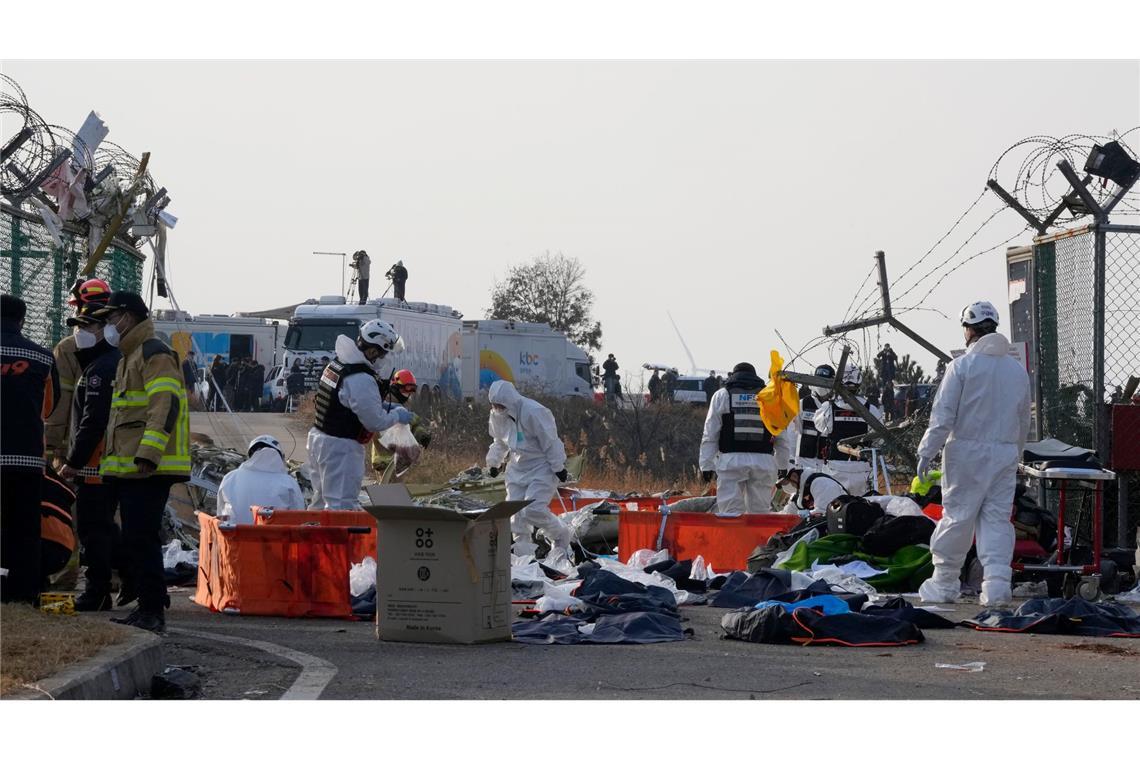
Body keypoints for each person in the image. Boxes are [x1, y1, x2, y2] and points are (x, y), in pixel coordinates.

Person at [916, 301, 1030, 607]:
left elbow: (943, 417)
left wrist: (926, 451)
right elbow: (1023, 421)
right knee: (996, 520)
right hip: (1005, 454)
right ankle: (996, 586)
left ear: (969, 329)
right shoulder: (1017, 371)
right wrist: (1014, 455)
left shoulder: (962, 367)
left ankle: (944, 583)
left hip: (966, 452)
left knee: (958, 516)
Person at [90, 291, 191, 633]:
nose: (107, 326)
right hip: (132, 468)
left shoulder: (153, 352)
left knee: (141, 537)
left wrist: (148, 453)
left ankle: (151, 610)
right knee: (136, 537)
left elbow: (165, 405)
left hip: (149, 467)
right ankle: (149, 604)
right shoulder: (128, 356)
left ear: (128, 317)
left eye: (110, 318)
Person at [57, 307, 130, 611]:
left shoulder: (101, 368)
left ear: (103, 329)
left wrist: (72, 461)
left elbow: (93, 422)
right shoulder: (100, 364)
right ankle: (131, 573)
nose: (80, 332)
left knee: (93, 528)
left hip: (95, 465)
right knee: (104, 528)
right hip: (100, 463)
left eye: (87, 325)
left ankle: (98, 590)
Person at [306, 319, 413, 509]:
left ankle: (313, 534)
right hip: (340, 448)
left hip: (320, 437)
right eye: (383, 353)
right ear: (372, 351)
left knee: (321, 500)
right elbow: (374, 422)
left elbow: (347, 403)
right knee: (341, 505)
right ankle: (336, 539)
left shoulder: (338, 364)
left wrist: (387, 408)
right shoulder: (361, 378)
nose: (385, 358)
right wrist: (397, 415)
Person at [1, 294, 59, 604]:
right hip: (26, 460)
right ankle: (23, 594)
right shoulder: (41, 357)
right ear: (22, 320)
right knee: (24, 530)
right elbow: (49, 408)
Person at [486, 380, 571, 558]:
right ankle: (524, 559)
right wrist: (493, 463)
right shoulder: (497, 416)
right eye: (494, 405)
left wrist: (558, 467)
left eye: (500, 405)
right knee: (515, 516)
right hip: (517, 468)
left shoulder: (534, 412)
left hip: (542, 466)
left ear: (509, 401)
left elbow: (550, 441)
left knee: (533, 510)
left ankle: (560, 535)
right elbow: (499, 442)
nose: (497, 408)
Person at [699, 362, 794, 514]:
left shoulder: (722, 395)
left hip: (731, 462)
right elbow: (781, 434)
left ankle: (733, 537)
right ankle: (758, 538)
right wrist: (783, 465)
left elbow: (710, 433)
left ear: (733, 375)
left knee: (730, 513)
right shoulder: (770, 397)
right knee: (760, 513)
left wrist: (706, 465)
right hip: (764, 462)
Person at [45, 278, 111, 461]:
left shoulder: (68, 348)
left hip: (73, 449)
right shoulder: (122, 346)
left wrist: (50, 445)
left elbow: (60, 399)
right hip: (113, 450)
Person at [812, 364, 882, 494]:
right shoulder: (871, 409)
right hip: (861, 469)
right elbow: (878, 438)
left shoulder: (828, 408)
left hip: (835, 467)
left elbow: (820, 426)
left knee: (834, 505)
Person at [218, 435, 305, 525]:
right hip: (275, 537)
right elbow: (299, 518)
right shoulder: (289, 482)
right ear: (279, 457)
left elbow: (220, 514)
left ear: (251, 455)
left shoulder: (230, 477)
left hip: (234, 536)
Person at [370, 369, 432, 475]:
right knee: (388, 488)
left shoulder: (403, 402)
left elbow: (410, 423)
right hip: (384, 459)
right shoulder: (387, 403)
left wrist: (421, 434)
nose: (409, 393)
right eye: (407, 388)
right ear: (396, 387)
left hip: (396, 460)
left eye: (412, 389)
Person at [792, 364, 835, 473]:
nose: (821, 385)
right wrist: (792, 459)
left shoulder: (836, 406)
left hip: (828, 461)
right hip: (804, 460)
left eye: (825, 381)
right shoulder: (803, 404)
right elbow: (794, 432)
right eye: (818, 380)